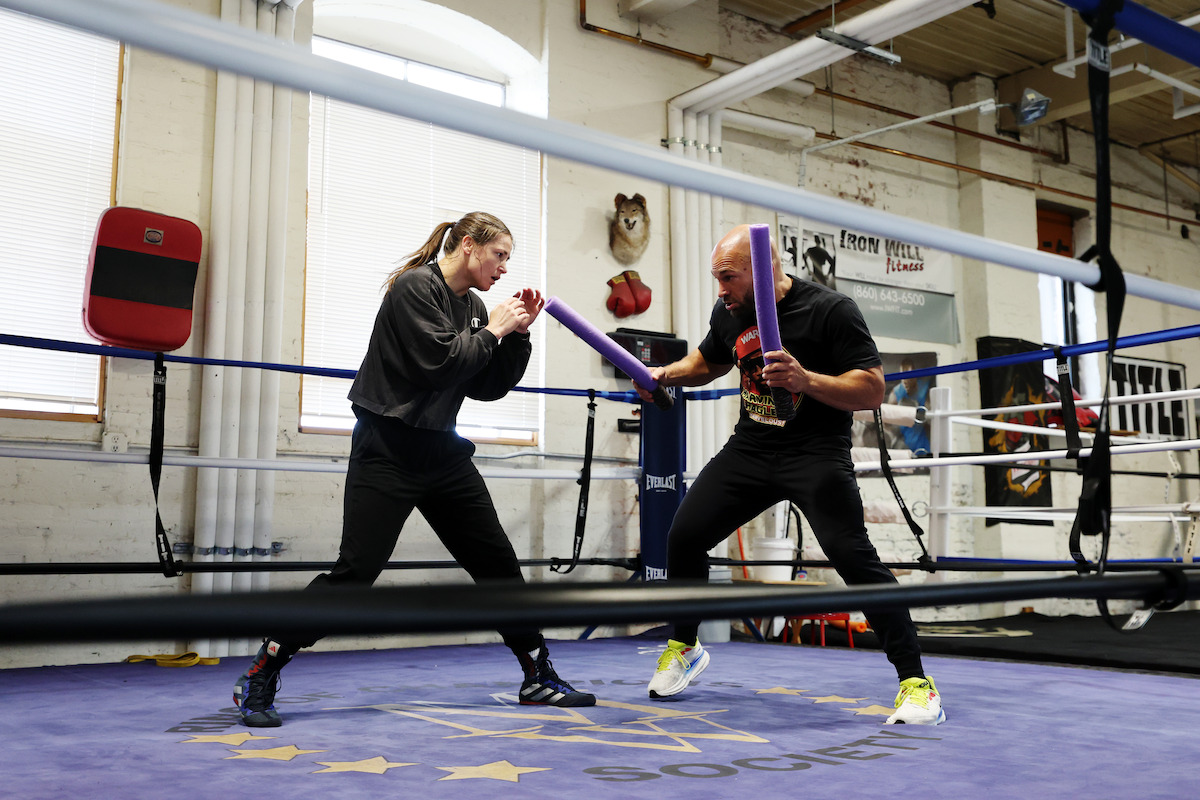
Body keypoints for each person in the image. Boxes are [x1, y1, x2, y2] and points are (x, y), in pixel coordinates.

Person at [233, 212, 595, 727]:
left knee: (497, 564)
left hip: (441, 453)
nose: (505, 268)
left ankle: (538, 675)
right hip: (387, 448)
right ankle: (262, 670)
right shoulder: (414, 288)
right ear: (469, 246)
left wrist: (516, 336)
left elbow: (485, 385)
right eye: (500, 255)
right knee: (356, 576)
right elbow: (441, 364)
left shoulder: (470, 306)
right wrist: (496, 326)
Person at [632, 224, 944, 725]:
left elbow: (870, 390)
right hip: (751, 448)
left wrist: (806, 380)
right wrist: (663, 375)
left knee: (853, 557)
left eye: (728, 277)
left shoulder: (829, 310)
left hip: (815, 452)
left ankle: (917, 684)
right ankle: (684, 648)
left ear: (764, 269)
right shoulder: (730, 311)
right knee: (685, 536)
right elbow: (710, 361)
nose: (721, 290)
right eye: (717, 278)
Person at [886, 357, 932, 456]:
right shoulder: (896, 392)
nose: (906, 381)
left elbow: (931, 418)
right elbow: (886, 421)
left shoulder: (923, 389)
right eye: (903, 378)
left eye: (909, 377)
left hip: (922, 441)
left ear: (914, 375)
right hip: (902, 443)